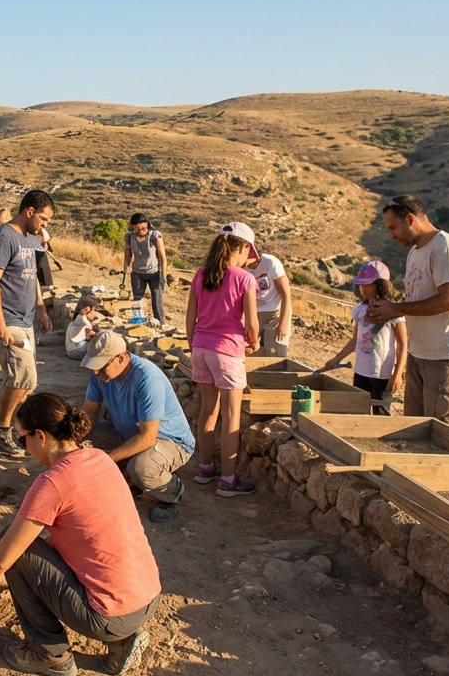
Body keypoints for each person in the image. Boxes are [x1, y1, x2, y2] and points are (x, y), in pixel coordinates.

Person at [0, 393, 161, 676]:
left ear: (40, 436)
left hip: (108, 617)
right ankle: (120, 644)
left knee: (10, 545)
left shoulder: (53, 482)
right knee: (36, 546)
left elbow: (2, 561)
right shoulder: (99, 457)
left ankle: (50, 655)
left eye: (22, 438)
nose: (24, 448)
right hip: (146, 599)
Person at [367, 195, 449, 426]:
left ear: (410, 219)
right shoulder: (415, 252)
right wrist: (389, 309)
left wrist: (395, 309)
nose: (391, 235)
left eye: (393, 227)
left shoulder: (445, 247)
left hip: (445, 354)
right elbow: (418, 297)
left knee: (441, 431)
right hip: (420, 353)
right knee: (414, 428)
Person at [79, 331, 196, 523]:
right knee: (81, 432)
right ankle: (131, 472)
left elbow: (148, 437)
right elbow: (89, 412)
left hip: (170, 441)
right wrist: (72, 434)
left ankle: (171, 493)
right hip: (127, 433)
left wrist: (107, 461)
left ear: (121, 358)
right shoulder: (100, 374)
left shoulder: (147, 379)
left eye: (100, 366)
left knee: (140, 468)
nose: (96, 372)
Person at [186, 222, 259, 497]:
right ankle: (228, 480)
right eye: (247, 253)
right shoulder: (244, 278)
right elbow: (251, 323)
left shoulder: (201, 274)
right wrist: (253, 342)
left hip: (200, 349)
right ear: (241, 248)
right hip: (227, 351)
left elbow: (189, 318)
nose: (247, 259)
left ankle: (205, 467)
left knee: (208, 410)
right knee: (230, 417)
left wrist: (194, 345)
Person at [0, 189, 55, 456]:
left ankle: (15, 427)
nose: (45, 226)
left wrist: (41, 311)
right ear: (30, 212)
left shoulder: (29, 239)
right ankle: (1, 430)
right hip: (5, 319)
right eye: (44, 220)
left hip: (24, 320)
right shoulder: (3, 237)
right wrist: (0, 325)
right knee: (22, 377)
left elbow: (31, 277)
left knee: (26, 382)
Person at [323, 261, 408, 416]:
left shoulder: (393, 312)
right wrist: (334, 360)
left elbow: (403, 344)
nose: (361, 289)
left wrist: (398, 373)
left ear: (379, 285)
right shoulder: (359, 310)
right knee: (358, 410)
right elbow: (355, 339)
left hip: (382, 373)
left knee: (380, 412)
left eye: (365, 285)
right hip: (361, 370)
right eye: (360, 285)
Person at [121, 213, 167, 324]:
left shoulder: (154, 236)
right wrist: (125, 272)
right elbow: (128, 255)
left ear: (148, 225)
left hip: (154, 273)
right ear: (132, 227)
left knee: (157, 301)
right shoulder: (130, 237)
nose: (141, 231)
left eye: (143, 228)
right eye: (137, 229)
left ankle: (160, 324)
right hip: (137, 273)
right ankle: (138, 323)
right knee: (137, 300)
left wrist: (163, 276)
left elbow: (162, 257)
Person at [246, 248, 292, 358]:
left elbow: (286, 295)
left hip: (274, 314)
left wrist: (283, 324)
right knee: (252, 353)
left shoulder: (271, 263)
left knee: (275, 354)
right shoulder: (240, 268)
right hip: (253, 314)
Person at [64, 295, 101, 360]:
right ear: (85, 311)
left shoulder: (78, 322)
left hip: (73, 350)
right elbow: (85, 322)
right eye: (93, 311)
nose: (94, 313)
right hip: (75, 351)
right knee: (98, 345)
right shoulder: (81, 319)